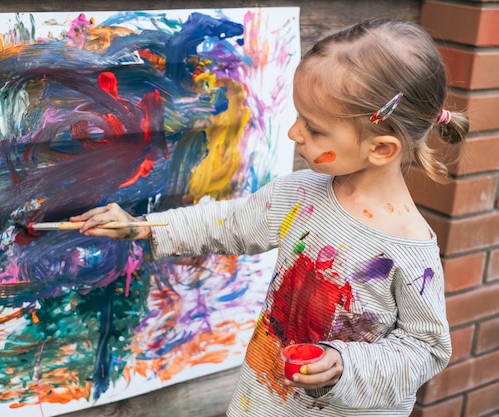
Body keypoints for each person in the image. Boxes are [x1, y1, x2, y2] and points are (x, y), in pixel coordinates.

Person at [70, 18, 469, 416]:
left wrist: (346, 365)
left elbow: (427, 349)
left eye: (313, 128)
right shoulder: (301, 194)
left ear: (381, 148)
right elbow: (227, 223)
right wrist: (142, 226)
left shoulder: (411, 250)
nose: (295, 133)